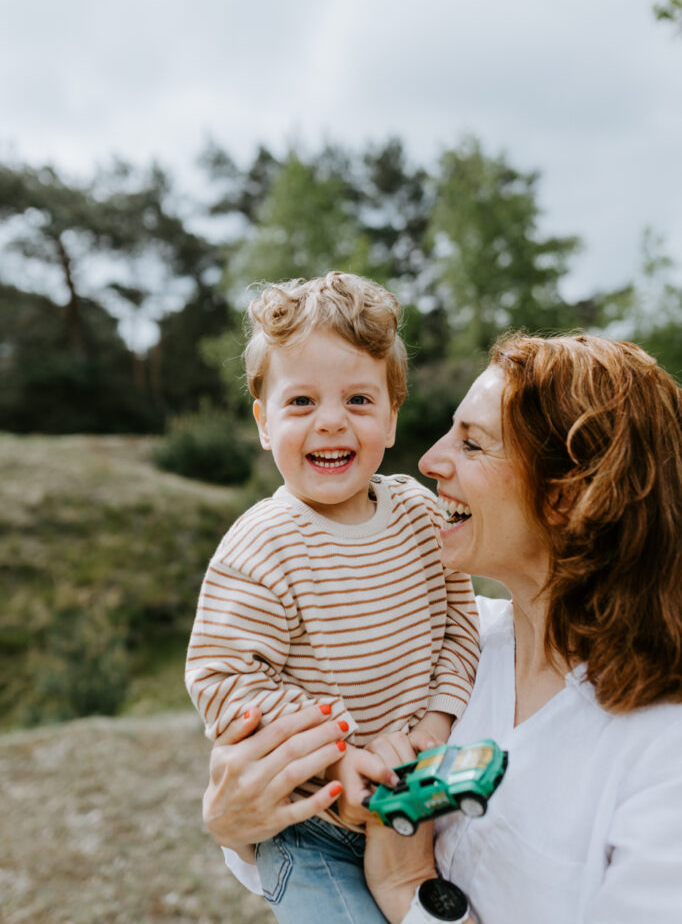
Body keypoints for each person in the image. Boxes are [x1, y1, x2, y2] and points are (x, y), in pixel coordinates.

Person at [200, 332, 682, 924]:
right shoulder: (443, 640)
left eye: (472, 444)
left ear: (566, 497)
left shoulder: (662, 760)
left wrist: (409, 889)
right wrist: (240, 826)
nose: (428, 461)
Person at [185, 271, 480, 923]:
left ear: (392, 415)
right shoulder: (262, 543)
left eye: (357, 399)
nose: (330, 423)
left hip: (414, 799)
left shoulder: (418, 514)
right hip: (311, 828)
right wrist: (336, 754)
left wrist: (432, 728)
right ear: (264, 423)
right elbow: (222, 677)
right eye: (300, 403)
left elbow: (460, 628)